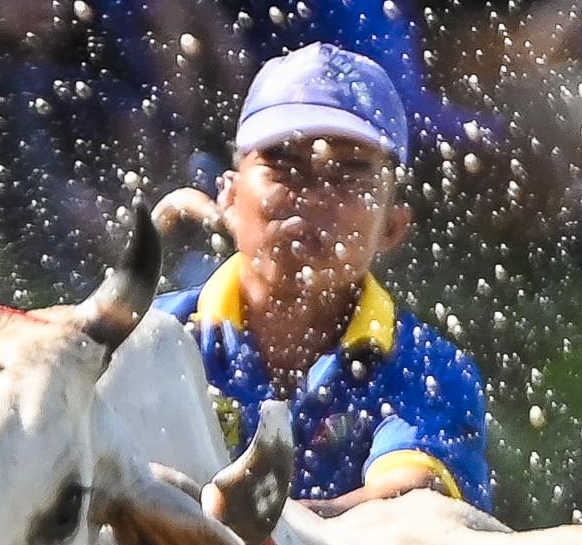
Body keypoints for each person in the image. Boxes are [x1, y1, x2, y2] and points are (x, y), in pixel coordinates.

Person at [186, 42, 492, 510]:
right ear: (228, 197)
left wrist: (269, 530)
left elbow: (412, 503)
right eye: (285, 165)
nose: (313, 199)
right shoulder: (158, 338)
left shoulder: (426, 369)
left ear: (391, 226)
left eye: (350, 176)